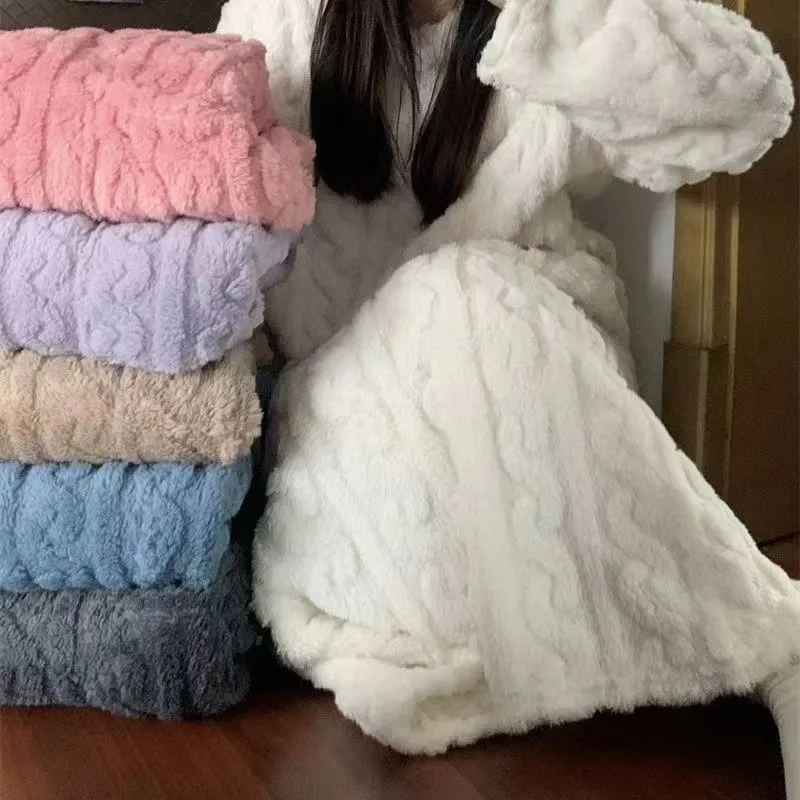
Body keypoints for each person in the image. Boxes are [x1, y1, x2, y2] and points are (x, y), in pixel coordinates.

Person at [218, 0, 799, 792]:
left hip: (519, 358)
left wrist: (547, 14)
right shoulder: (283, 13)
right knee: (442, 600)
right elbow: (222, 204)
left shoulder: (540, 13)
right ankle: (751, 626)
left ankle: (770, 639)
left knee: (462, 286)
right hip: (345, 401)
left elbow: (747, 102)